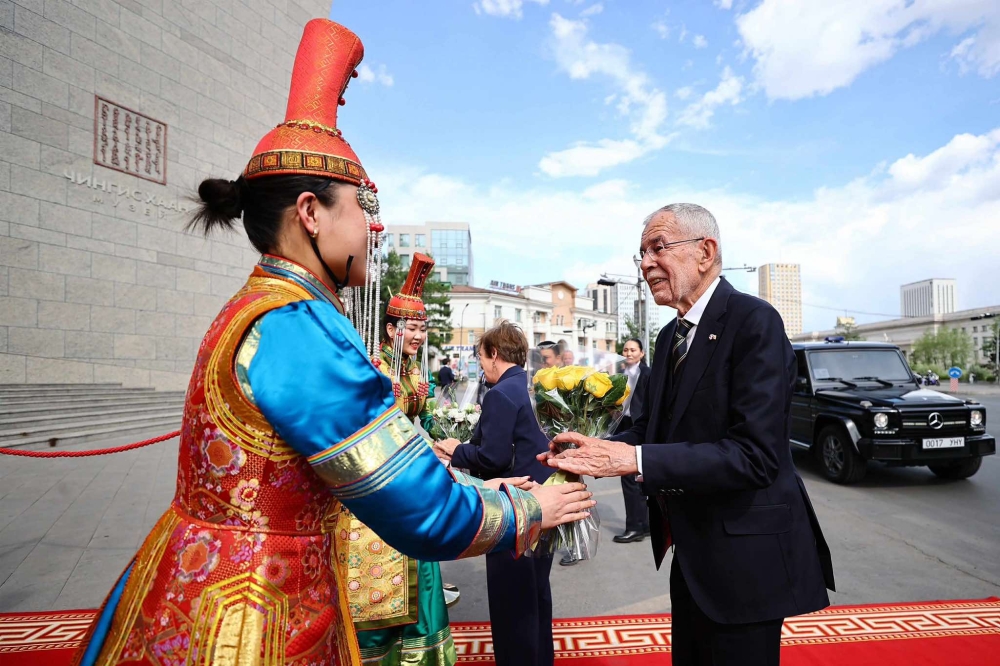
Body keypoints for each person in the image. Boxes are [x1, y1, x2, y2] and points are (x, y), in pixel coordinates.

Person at [72, 20, 594, 666]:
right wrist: (526, 507)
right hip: (252, 611)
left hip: (199, 583)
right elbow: (420, 509)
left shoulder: (258, 304)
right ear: (312, 213)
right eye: (361, 206)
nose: (373, 225)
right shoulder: (297, 325)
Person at [544, 203, 834, 666]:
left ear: (705, 252)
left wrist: (633, 461)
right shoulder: (671, 336)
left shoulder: (753, 322)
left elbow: (754, 456)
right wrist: (593, 446)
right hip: (695, 556)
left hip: (747, 563)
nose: (644, 264)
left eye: (658, 248)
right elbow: (656, 427)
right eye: (640, 253)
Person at [345, 254, 460, 664]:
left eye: (423, 328)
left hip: (412, 481)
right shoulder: (374, 368)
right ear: (391, 329)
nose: (418, 336)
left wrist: (452, 437)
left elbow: (426, 417)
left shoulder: (414, 370)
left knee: (423, 568)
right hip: (379, 488)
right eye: (412, 328)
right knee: (380, 591)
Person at [434, 322, 556, 666]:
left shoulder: (502, 393)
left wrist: (456, 450)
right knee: (535, 593)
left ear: (494, 356)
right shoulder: (532, 386)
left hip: (515, 503)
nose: (482, 365)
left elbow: (495, 457)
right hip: (542, 498)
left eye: (482, 357)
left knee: (512, 601)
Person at [613, 338, 651, 544]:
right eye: (625, 350)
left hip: (641, 427)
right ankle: (642, 525)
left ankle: (636, 527)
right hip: (623, 426)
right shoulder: (618, 374)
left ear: (641, 353)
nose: (628, 353)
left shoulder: (648, 374)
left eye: (632, 350)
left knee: (634, 477)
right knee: (630, 476)